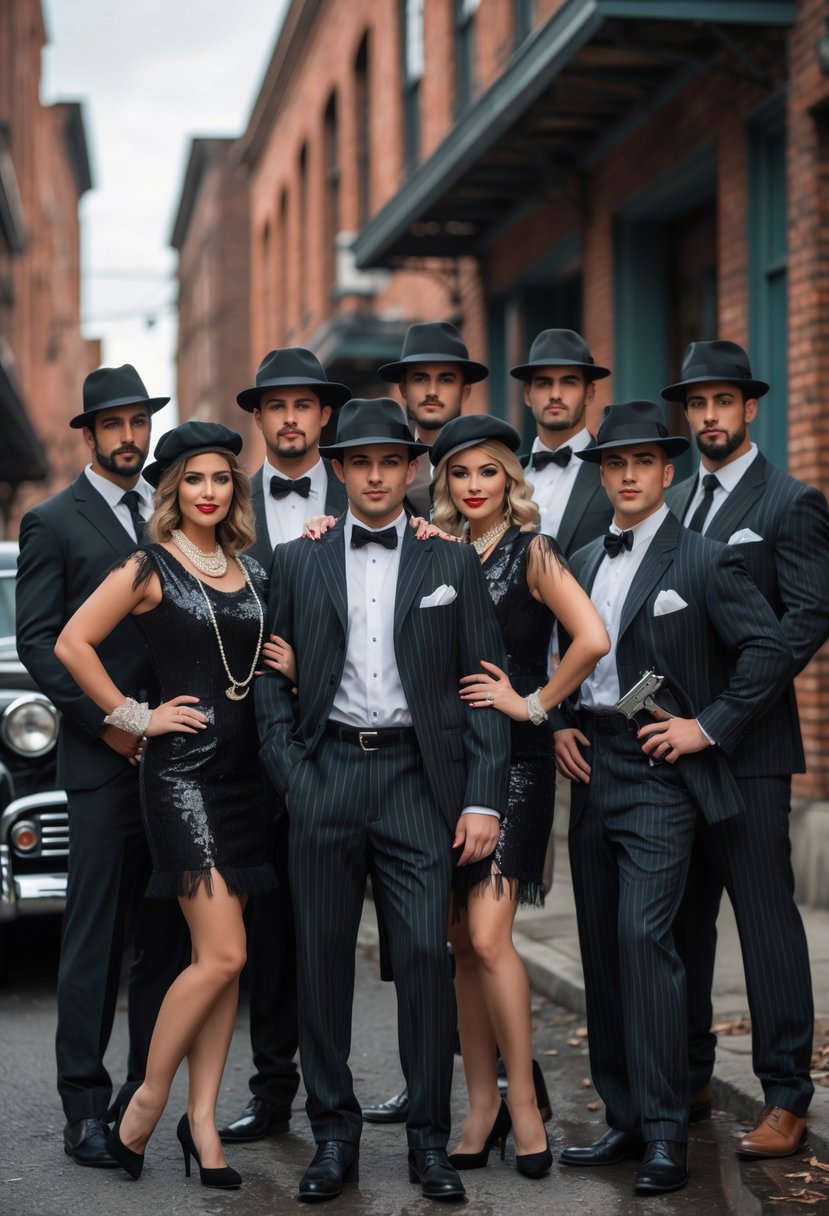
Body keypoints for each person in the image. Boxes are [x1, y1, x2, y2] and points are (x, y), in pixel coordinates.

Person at [255, 397, 511, 1203]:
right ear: (338, 470)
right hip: (325, 774)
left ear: (410, 469)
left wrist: (482, 800)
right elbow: (267, 678)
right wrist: (294, 777)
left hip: (415, 781)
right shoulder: (297, 560)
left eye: (389, 461)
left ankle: (429, 1143)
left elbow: (482, 689)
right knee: (320, 963)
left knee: (424, 966)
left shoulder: (452, 563)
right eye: (358, 461)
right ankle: (333, 1139)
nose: (373, 474)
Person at [552, 400, 791, 1195]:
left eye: (643, 462)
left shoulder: (704, 557)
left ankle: (665, 1132)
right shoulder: (579, 556)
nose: (626, 474)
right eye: (614, 463)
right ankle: (622, 1117)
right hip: (591, 764)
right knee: (600, 948)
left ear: (666, 469)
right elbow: (563, 657)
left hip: (660, 773)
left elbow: (766, 649)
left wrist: (707, 727)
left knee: (644, 941)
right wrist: (555, 723)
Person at [53, 421, 278, 1189]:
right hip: (182, 779)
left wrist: (290, 660)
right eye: (193, 480)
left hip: (245, 781)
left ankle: (204, 1126)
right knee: (225, 954)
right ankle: (144, 1105)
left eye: (220, 479)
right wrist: (135, 715)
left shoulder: (250, 570)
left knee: (217, 967)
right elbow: (72, 643)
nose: (208, 492)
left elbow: (251, 659)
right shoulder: (148, 564)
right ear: (171, 490)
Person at [16, 364, 190, 1168]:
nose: (128, 437)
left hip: (180, 763)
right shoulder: (54, 520)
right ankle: (83, 1108)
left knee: (163, 939)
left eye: (138, 422)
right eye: (113, 424)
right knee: (92, 938)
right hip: (101, 762)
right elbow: (39, 642)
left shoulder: (172, 516)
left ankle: (136, 1096)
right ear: (89, 433)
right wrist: (114, 721)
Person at [426, 414, 608, 1178]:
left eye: (487, 473)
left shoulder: (532, 551)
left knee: (491, 937)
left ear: (509, 479)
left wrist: (531, 703)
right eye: (460, 475)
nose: (473, 487)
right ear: (445, 484)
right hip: (439, 767)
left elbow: (592, 637)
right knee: (460, 943)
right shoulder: (425, 550)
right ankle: (480, 1106)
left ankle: (526, 1108)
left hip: (519, 767)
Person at [663, 339, 829, 1157]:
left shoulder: (788, 502)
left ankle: (786, 1095)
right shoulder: (678, 502)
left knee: (763, 923)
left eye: (721, 403)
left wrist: (719, 721)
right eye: (696, 405)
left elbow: (803, 622)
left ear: (748, 408)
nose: (708, 418)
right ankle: (693, 1077)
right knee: (686, 922)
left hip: (749, 750)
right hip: (673, 752)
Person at [218, 348, 350, 1145]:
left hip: (331, 747)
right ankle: (271, 1095)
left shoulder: (367, 500)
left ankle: (338, 1105)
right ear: (259, 418)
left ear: (324, 415)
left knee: (327, 932)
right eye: (276, 406)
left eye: (304, 405)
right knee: (264, 935)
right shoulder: (223, 502)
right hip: (237, 754)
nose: (291, 418)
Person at [511, 328, 613, 555]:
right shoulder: (505, 475)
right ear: (527, 394)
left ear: (589, 393)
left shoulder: (613, 471)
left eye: (568, 382)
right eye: (544, 383)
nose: (555, 394)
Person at [377, 320, 488, 517]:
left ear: (465, 391)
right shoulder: (381, 460)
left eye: (446, 380)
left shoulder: (490, 461)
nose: (432, 391)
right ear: (403, 388)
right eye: (420, 379)